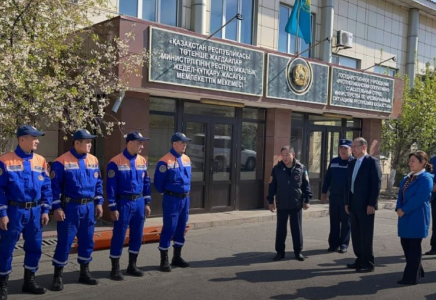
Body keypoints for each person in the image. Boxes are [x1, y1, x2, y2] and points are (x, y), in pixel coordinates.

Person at [0, 125, 52, 299]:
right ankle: (2, 285)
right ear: (22, 139)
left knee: (35, 247)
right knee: (6, 248)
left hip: (35, 212)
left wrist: (46, 210)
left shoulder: (41, 161)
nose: (37, 140)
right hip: (15, 211)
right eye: (34, 137)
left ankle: (29, 282)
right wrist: (3, 214)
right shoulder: (5, 160)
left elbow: (46, 187)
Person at [50, 129, 103, 291]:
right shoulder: (61, 162)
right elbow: (54, 188)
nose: (89, 145)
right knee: (65, 241)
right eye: (86, 142)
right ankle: (58, 275)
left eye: (90, 141)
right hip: (70, 207)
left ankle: (84, 272)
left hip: (88, 207)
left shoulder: (93, 160)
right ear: (77, 143)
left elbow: (98, 183)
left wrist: (99, 203)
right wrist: (57, 207)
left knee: (87, 240)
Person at [106, 132, 152, 281]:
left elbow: (146, 183)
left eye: (142, 143)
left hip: (139, 202)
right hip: (123, 203)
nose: (142, 146)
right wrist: (113, 207)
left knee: (137, 234)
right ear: (130, 143)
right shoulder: (115, 162)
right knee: (119, 235)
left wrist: (147, 202)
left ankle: (132, 265)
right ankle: (115, 268)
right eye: (139, 143)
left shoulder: (142, 161)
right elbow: (111, 186)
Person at [154, 132, 192, 272]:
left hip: (185, 199)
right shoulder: (165, 161)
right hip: (172, 199)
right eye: (182, 142)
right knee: (169, 227)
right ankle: (164, 260)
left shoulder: (187, 159)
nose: (185, 145)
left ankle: (177, 257)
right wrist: (170, 193)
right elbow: (158, 184)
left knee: (181, 227)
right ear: (174, 144)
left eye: (185, 142)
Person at [267, 146, 312, 262]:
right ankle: (280, 252)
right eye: (283, 155)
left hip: (296, 204)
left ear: (293, 155)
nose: (285, 157)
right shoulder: (277, 169)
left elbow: (306, 186)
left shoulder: (301, 168)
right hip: (282, 203)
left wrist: (307, 200)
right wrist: (271, 201)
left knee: (296, 229)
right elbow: (272, 186)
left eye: (287, 155)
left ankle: (298, 252)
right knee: (281, 229)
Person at [395, 151, 433, 285]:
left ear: (422, 163)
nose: (410, 163)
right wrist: (398, 208)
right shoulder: (407, 178)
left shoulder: (426, 178)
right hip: (404, 215)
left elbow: (420, 198)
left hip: (417, 216)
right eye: (410, 160)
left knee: (414, 246)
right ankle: (418, 270)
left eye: (413, 161)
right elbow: (400, 195)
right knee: (405, 243)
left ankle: (411, 277)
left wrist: (404, 210)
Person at [345, 137, 382, 273]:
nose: (353, 149)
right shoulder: (352, 163)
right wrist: (347, 202)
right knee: (356, 233)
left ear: (364, 147)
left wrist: (372, 203)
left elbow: (376, 184)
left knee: (366, 234)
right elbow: (348, 185)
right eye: (352, 146)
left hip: (366, 205)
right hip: (353, 203)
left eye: (355, 146)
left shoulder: (372, 162)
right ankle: (359, 259)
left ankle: (368, 262)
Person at [321, 139, 354, 253]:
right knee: (334, 221)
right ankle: (333, 244)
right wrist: (324, 192)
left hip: (347, 198)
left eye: (345, 148)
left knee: (346, 221)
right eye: (341, 148)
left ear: (351, 150)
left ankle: (344, 244)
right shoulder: (334, 161)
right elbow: (328, 178)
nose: (343, 151)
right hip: (334, 196)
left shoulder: (353, 163)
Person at [424, 154, 436, 255]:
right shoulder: (433, 159)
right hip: (435, 196)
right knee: (435, 223)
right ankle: (434, 247)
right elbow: (429, 174)